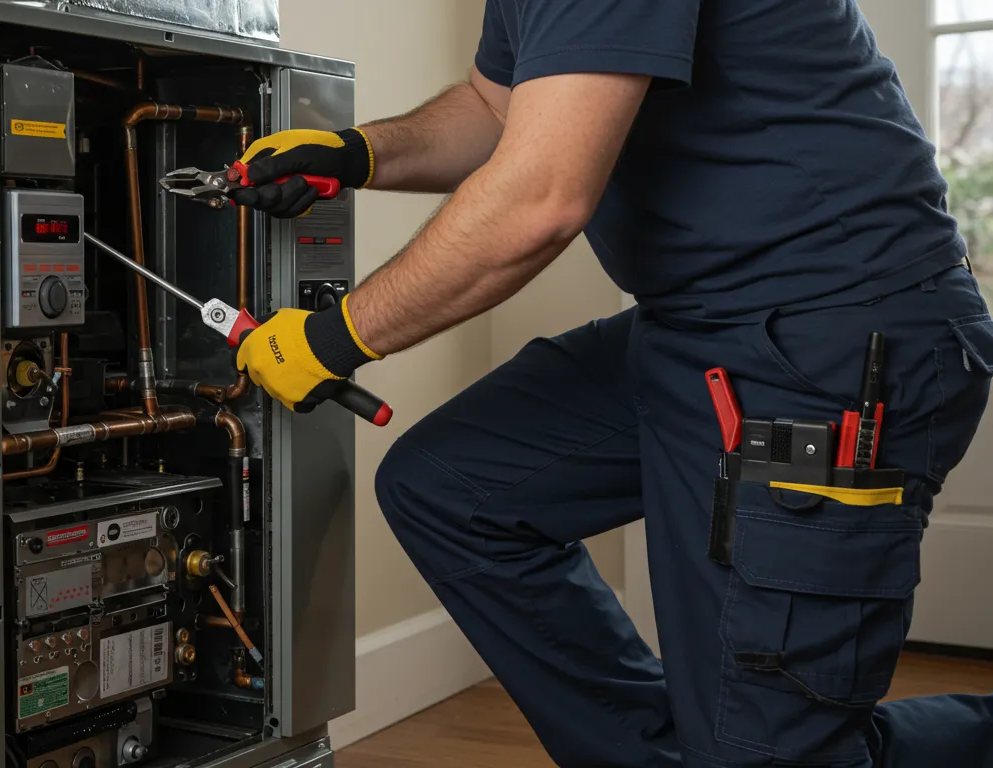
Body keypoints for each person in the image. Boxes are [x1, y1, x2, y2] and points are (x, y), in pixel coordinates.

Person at [228, 1, 993, 766]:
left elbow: (541, 200)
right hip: (697, 325)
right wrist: (357, 153)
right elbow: (500, 109)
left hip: (832, 336)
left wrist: (336, 338)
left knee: (766, 751)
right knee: (452, 491)